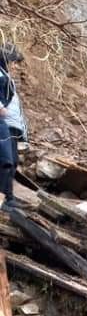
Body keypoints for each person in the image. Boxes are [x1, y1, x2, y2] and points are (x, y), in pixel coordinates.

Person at [0, 43, 27, 208]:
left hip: (12, 126)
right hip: (5, 125)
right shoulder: (1, 75)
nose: (16, 67)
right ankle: (4, 199)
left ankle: (9, 198)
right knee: (6, 162)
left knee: (13, 162)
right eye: (14, 62)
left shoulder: (6, 77)